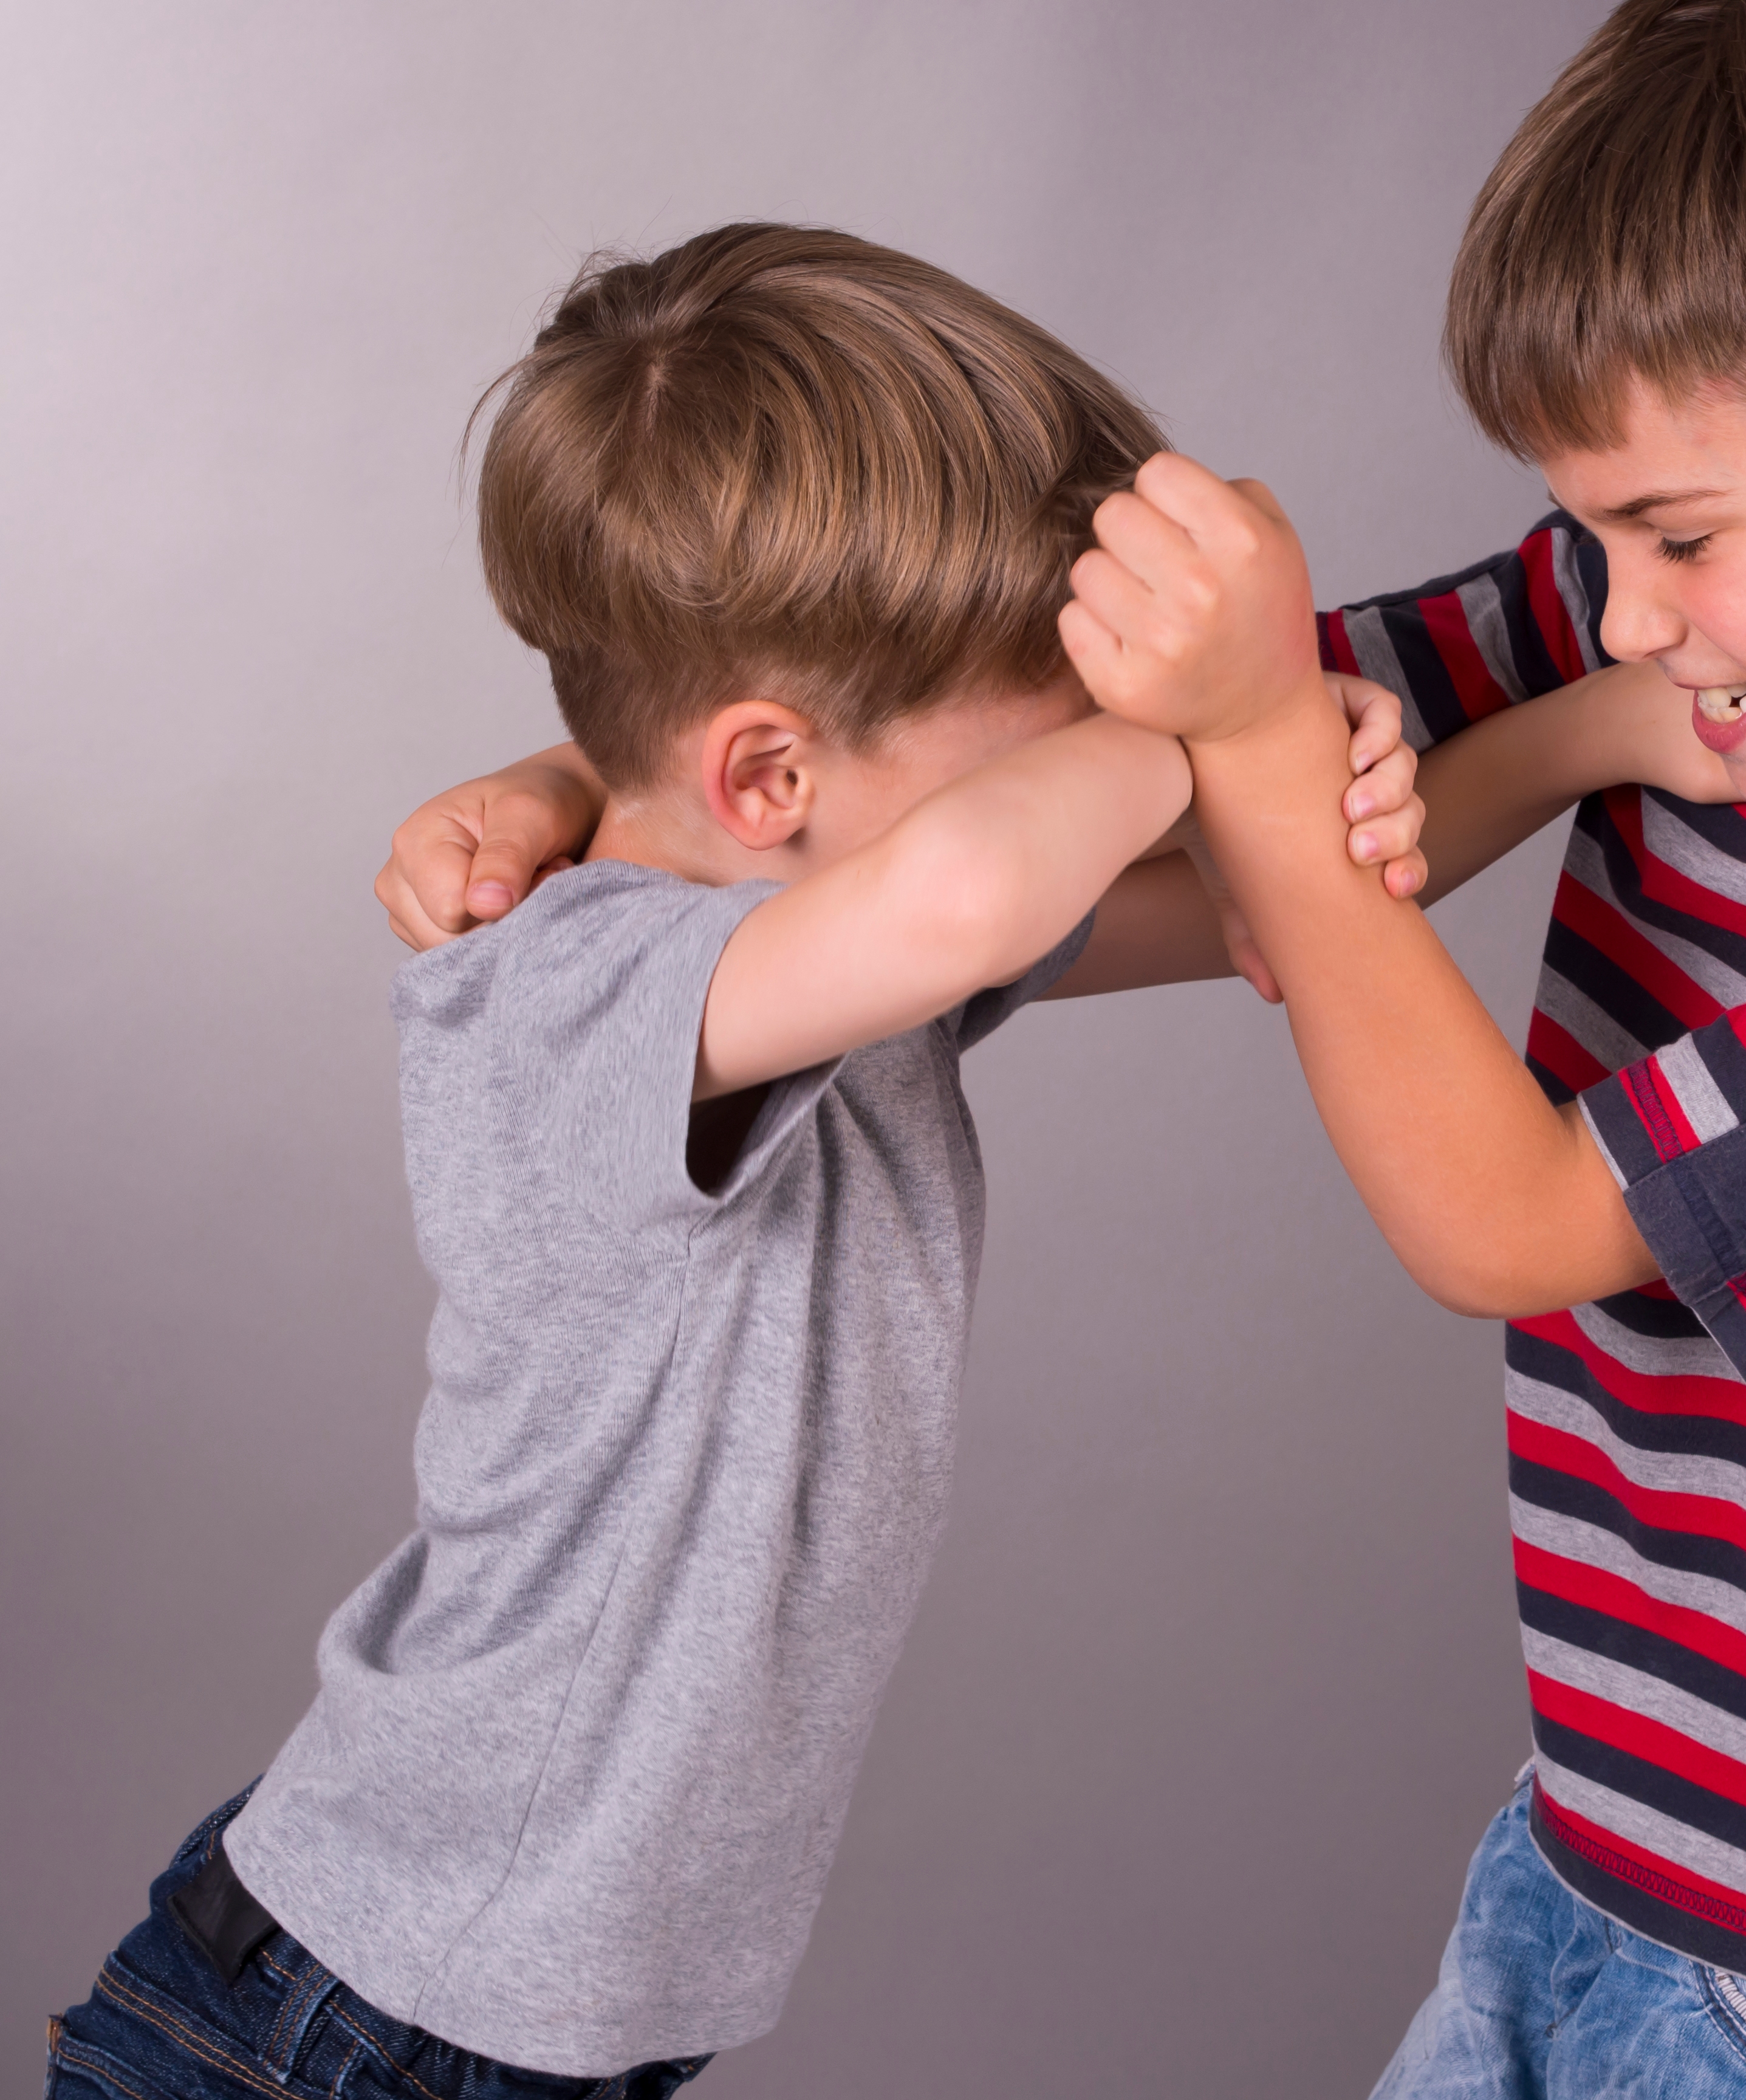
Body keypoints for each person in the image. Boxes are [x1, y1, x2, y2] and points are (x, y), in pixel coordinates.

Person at [380, 3, 1746, 2093]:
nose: (1626, 610)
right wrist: (609, 765)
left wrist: (1279, 755)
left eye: (1674, 532)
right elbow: (1110, 753)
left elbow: (1515, 1216)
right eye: (1598, 538)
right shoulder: (1674, 619)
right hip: (1612, 1856)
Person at [44, 222, 1433, 2100]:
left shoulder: (830, 968)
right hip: (341, 2026)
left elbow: (1265, 911)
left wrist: (1560, 744)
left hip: (509, 2028)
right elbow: (970, 879)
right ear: (770, 780)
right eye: (1054, 747)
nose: (1104, 770)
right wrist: (1223, 720)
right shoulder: (562, 995)